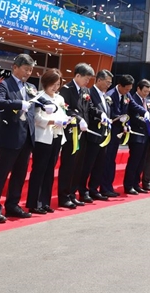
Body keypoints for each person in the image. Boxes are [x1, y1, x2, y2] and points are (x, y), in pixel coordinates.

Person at [0, 54, 56, 223]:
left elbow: (36, 101)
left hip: (27, 137)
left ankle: (13, 205)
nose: (28, 73)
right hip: (10, 136)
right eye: (25, 69)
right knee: (1, 174)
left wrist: (46, 106)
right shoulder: (4, 84)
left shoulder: (31, 86)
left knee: (19, 174)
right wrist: (18, 104)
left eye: (31, 70)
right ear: (15, 67)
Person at [27, 69, 69, 214]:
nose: (55, 87)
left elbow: (63, 113)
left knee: (50, 170)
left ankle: (45, 201)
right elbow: (36, 118)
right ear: (46, 83)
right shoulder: (39, 96)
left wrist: (65, 120)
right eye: (53, 84)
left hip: (56, 136)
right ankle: (34, 202)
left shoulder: (60, 98)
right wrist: (52, 121)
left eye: (58, 84)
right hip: (43, 137)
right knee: (39, 170)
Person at [102, 74, 146, 195]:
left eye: (129, 89)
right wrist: (121, 119)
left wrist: (146, 114)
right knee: (108, 160)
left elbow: (134, 106)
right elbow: (111, 113)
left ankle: (108, 186)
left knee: (112, 160)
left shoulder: (126, 95)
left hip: (119, 132)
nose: (128, 91)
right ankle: (105, 187)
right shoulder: (111, 95)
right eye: (126, 89)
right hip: (111, 132)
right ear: (120, 86)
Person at [57, 63, 93, 208]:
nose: (87, 81)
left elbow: (89, 107)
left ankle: (72, 193)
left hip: (83, 134)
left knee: (78, 165)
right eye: (86, 78)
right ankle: (64, 196)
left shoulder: (85, 90)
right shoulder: (67, 89)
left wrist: (100, 113)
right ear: (77, 75)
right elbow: (66, 108)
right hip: (72, 133)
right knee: (68, 165)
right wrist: (79, 119)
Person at [81, 69, 113, 202]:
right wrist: (100, 117)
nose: (108, 85)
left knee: (99, 165)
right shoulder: (89, 92)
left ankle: (94, 189)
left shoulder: (105, 96)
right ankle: (83, 190)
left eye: (110, 83)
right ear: (99, 80)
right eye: (107, 82)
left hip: (103, 135)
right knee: (88, 165)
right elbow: (89, 110)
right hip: (92, 135)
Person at [122, 79, 150, 195]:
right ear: (138, 89)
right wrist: (149, 123)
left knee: (141, 162)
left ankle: (136, 184)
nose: (146, 93)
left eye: (148, 92)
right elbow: (135, 117)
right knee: (134, 162)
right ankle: (129, 185)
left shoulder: (146, 100)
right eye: (144, 91)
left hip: (146, 135)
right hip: (136, 134)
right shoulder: (133, 99)